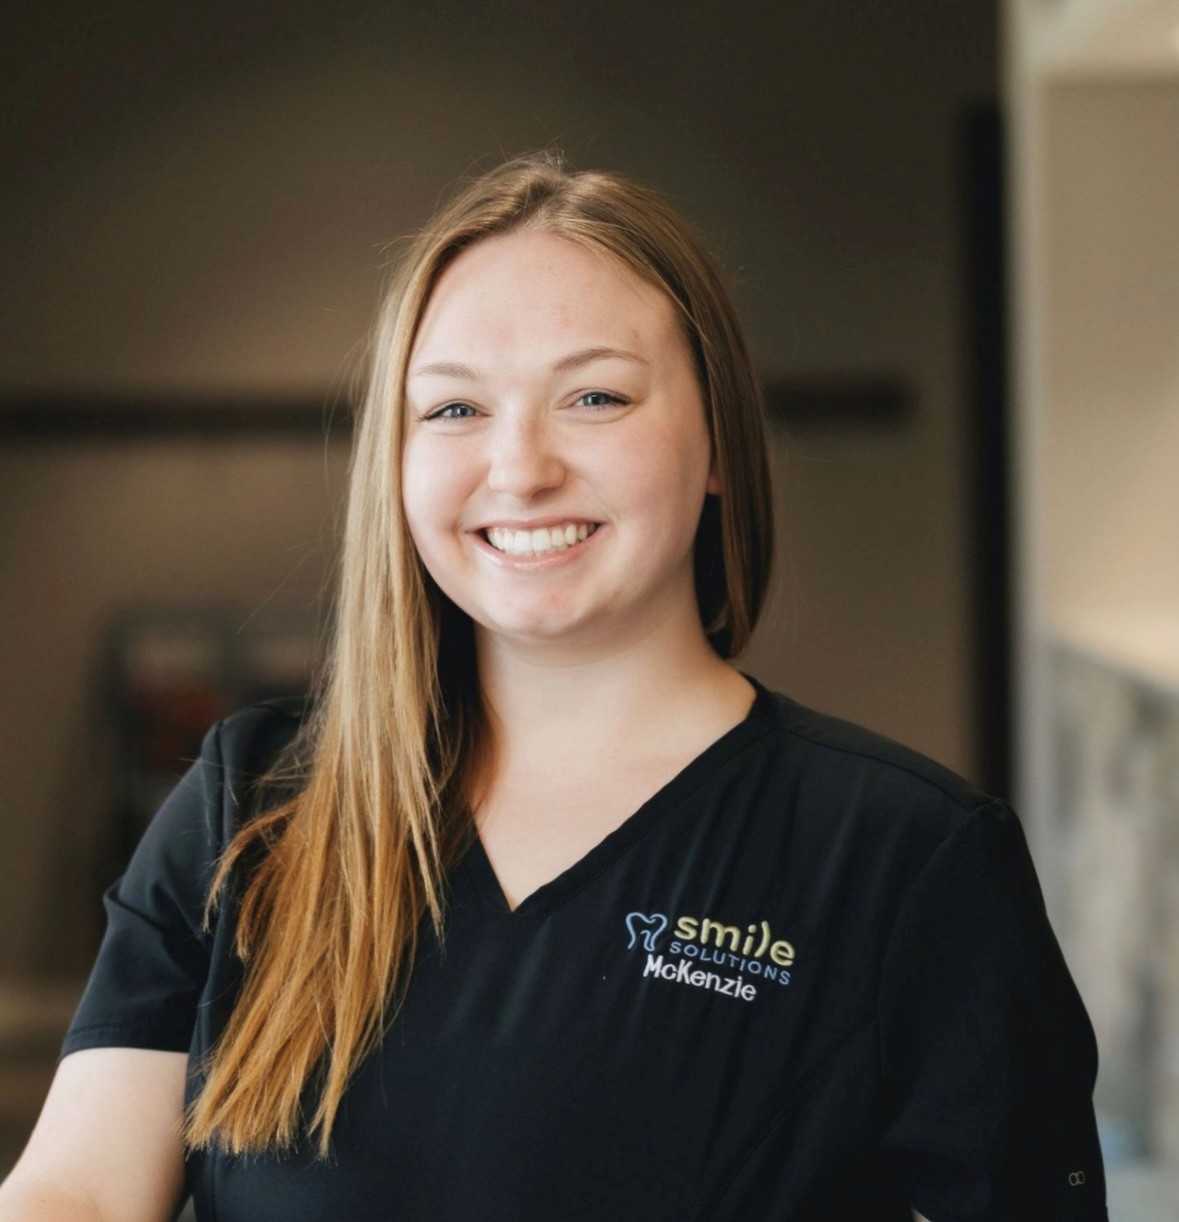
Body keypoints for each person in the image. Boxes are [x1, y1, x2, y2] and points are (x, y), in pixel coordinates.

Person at [0, 150, 1107, 1222]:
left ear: (719, 440)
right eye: (453, 409)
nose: (520, 467)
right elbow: (80, 1192)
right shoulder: (253, 803)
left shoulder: (908, 861)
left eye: (595, 398)